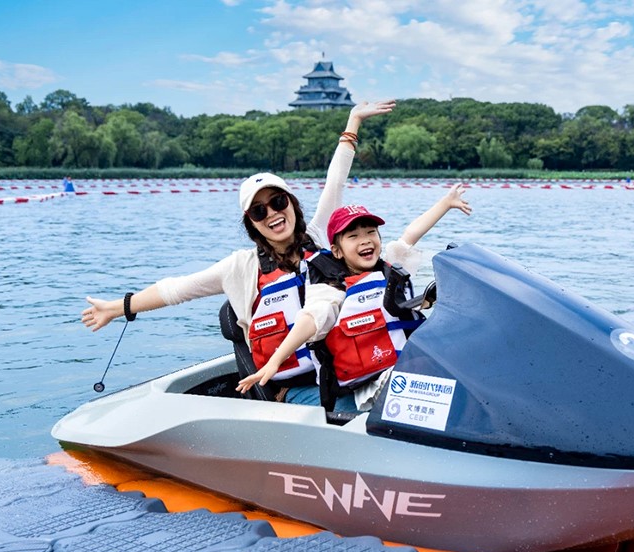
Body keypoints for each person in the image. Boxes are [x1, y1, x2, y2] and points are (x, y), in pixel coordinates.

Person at [81, 100, 397, 404]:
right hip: (297, 387)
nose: (272, 214)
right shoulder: (240, 268)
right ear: (251, 223)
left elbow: (335, 181)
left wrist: (353, 122)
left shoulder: (316, 238)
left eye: (278, 202)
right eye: (259, 211)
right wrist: (117, 308)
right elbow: (175, 289)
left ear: (292, 203)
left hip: (348, 370)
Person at [236, 183, 471, 412]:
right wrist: (275, 361)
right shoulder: (333, 286)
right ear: (337, 251)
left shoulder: (390, 267)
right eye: (353, 236)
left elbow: (410, 235)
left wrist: (446, 203)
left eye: (371, 232)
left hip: (397, 371)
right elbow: (312, 318)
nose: (365, 240)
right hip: (363, 389)